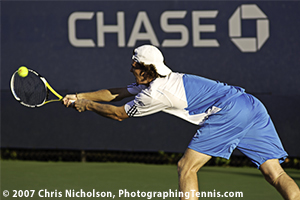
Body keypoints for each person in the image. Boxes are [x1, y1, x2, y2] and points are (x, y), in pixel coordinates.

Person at [63, 45, 300, 200]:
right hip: (251, 104)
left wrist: (89, 106)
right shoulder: (163, 78)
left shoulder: (155, 94)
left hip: (228, 111)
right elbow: (118, 92)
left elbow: (118, 113)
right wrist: (81, 96)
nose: (130, 68)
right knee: (275, 174)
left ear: (145, 69)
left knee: (187, 167)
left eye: (134, 65)